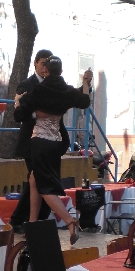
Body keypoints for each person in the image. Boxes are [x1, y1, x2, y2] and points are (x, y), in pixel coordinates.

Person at [14, 56, 91, 244]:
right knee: (34, 179)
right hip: (57, 142)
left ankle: (70, 221)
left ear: (46, 70)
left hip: (40, 142)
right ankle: (32, 224)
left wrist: (17, 102)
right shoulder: (66, 90)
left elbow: (19, 115)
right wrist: (85, 83)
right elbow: (85, 101)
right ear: (61, 71)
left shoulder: (39, 90)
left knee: (44, 186)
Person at [9, 49, 54, 228]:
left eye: (48, 64)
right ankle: (19, 218)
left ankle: (36, 217)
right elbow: (22, 111)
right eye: (43, 63)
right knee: (36, 179)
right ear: (35, 63)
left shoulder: (54, 84)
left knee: (41, 179)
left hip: (49, 140)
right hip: (31, 140)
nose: (45, 68)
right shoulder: (26, 84)